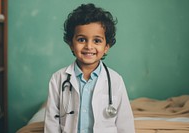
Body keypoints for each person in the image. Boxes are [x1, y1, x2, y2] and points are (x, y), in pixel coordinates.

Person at [44, 3, 135, 133]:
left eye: (97, 41)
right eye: (81, 39)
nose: (89, 46)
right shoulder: (58, 78)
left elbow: (125, 123)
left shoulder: (116, 80)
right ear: (71, 44)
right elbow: (51, 122)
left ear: (106, 47)